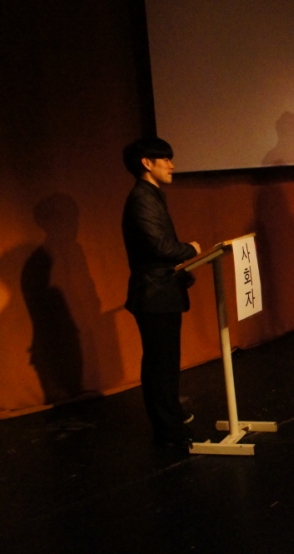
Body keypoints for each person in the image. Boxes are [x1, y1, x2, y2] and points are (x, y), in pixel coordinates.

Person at [121, 137, 201, 449]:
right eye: (165, 159)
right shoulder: (142, 198)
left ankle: (172, 417)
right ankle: (167, 429)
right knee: (159, 364)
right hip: (153, 294)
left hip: (162, 292)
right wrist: (190, 249)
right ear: (147, 163)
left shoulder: (151, 195)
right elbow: (158, 245)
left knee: (166, 362)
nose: (172, 165)